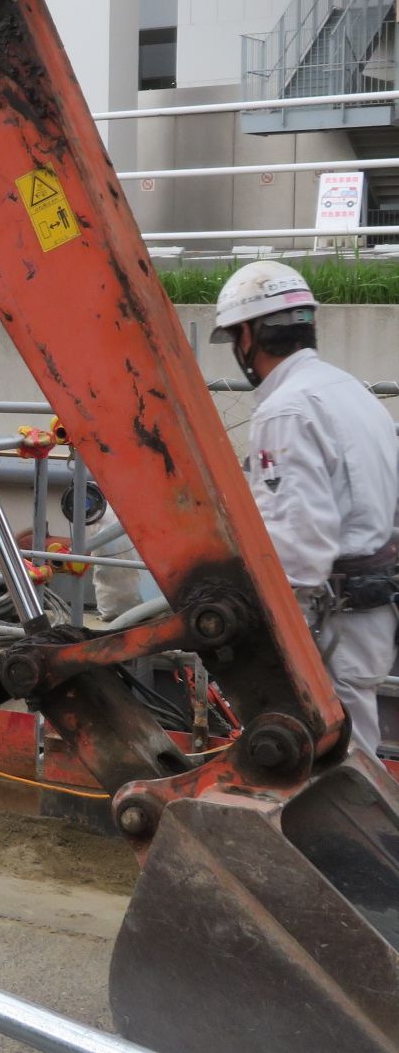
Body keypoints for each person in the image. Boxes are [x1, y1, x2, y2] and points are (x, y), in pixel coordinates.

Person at [214, 260, 399, 756]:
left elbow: (298, 541)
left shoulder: (287, 409)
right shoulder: (348, 390)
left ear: (249, 336)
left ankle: (349, 835)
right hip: (367, 606)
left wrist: (264, 620)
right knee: (356, 743)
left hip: (328, 615)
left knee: (332, 757)